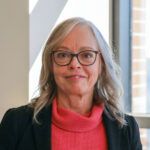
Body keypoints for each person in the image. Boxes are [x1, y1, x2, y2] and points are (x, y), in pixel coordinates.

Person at [0, 17, 142, 150]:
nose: (74, 64)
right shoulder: (16, 123)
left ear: (102, 65)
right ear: (50, 65)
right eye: (63, 55)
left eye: (87, 55)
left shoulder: (127, 130)